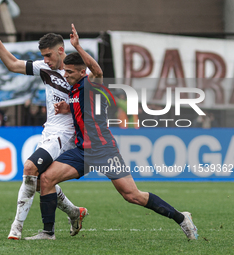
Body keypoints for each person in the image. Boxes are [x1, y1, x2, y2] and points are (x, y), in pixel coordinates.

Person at [25, 24, 198, 241]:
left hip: (105, 150)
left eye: (69, 72)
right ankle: (48, 233)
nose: (65, 75)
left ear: (81, 72)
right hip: (83, 151)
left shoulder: (91, 82)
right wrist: (67, 107)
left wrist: (77, 47)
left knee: (132, 195)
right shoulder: (74, 88)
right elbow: (83, 108)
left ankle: (182, 218)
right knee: (47, 178)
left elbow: (97, 71)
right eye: (65, 71)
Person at [0, 17, 88, 240]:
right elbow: (12, 64)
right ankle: (73, 212)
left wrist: (69, 106)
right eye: (43, 56)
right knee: (40, 182)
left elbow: (93, 96)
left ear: (61, 51)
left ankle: (16, 228)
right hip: (48, 132)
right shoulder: (43, 68)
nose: (45, 60)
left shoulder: (76, 73)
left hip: (66, 135)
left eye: (48, 55)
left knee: (29, 168)